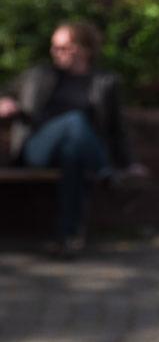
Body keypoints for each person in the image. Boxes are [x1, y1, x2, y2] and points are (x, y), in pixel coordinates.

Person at [1, 21, 145, 256]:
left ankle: (67, 239)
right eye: (54, 47)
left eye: (64, 48)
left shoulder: (104, 82)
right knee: (74, 121)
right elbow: (6, 91)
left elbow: (116, 128)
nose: (56, 53)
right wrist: (4, 101)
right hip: (37, 149)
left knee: (74, 156)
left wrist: (130, 162)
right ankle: (106, 173)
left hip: (75, 151)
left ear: (85, 49)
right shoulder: (39, 75)